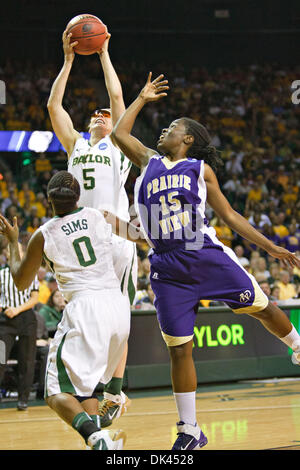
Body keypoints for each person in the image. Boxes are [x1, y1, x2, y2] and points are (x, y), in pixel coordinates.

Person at [112, 72, 300, 450]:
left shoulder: (200, 170)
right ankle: (189, 430)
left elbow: (230, 217)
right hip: (166, 268)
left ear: (188, 139)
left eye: (172, 127)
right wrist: (142, 99)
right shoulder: (148, 160)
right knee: (179, 348)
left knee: (261, 307)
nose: (163, 130)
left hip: (204, 254)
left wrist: (271, 247)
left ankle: (298, 345)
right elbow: (119, 134)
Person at [0, 171, 138, 450]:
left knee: (54, 392)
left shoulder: (44, 233)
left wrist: (14, 242)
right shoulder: (98, 215)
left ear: (48, 199)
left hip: (86, 308)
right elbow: (136, 235)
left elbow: (20, 279)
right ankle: (105, 427)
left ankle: (96, 437)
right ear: (78, 197)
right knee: (83, 390)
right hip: (118, 306)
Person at [47, 29, 136, 428]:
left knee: (123, 320)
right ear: (87, 125)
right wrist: (68, 61)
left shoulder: (119, 144)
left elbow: (117, 98)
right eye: (96, 114)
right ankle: (91, 392)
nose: (103, 115)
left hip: (117, 238)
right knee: (93, 319)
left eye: (106, 115)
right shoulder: (77, 147)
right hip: (84, 238)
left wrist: (103, 53)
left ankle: (114, 391)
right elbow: (54, 106)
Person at [0, 244, 39, 410]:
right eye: (9, 249)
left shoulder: (31, 272)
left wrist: (17, 309)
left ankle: (23, 399)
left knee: (27, 361)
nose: (13, 252)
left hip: (26, 319)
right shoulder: (1, 274)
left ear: (22, 253)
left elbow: (34, 298)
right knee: (1, 359)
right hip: (5, 319)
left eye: (17, 249)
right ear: (5, 254)